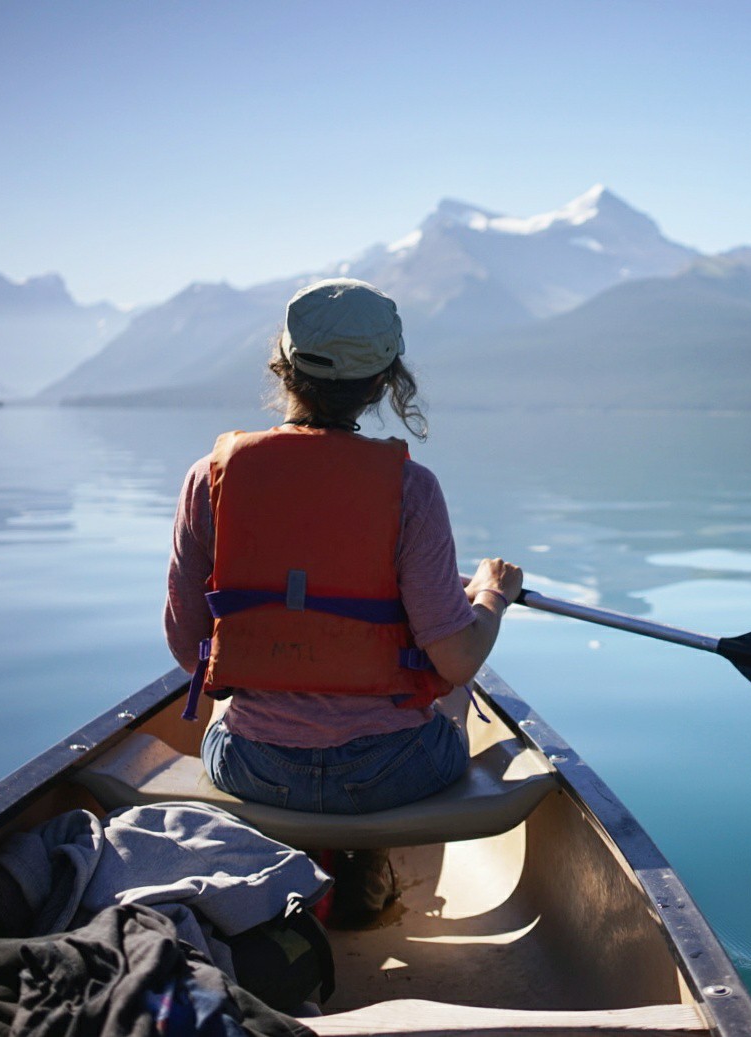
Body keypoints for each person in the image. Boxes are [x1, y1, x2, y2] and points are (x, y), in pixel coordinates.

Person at [164, 277, 523, 821]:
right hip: (394, 770)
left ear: (283, 366)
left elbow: (189, 648)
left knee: (222, 714)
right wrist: (492, 594)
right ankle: (368, 864)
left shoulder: (208, 479)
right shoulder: (411, 489)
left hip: (252, 767)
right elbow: (458, 660)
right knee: (452, 693)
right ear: (384, 382)